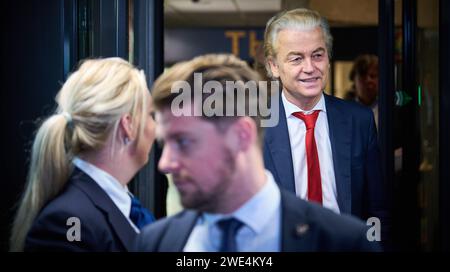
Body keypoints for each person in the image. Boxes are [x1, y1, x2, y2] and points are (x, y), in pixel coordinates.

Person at [135, 54, 381, 252]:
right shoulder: (155, 243)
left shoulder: (342, 241)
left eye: (184, 142)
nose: (165, 163)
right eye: (164, 143)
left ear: (242, 135)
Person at [262, 9, 390, 242]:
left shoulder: (359, 121)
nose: (310, 67)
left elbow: (376, 209)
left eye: (318, 55)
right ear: (273, 66)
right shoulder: (252, 128)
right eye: (296, 58)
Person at [10, 58, 156, 252]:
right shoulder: (67, 222)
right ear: (128, 125)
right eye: (150, 115)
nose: (156, 127)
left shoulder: (123, 208)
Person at [346, 54, 379, 129]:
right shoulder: (342, 111)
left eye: (373, 76)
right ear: (354, 79)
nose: (368, 80)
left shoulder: (389, 110)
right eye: (363, 75)